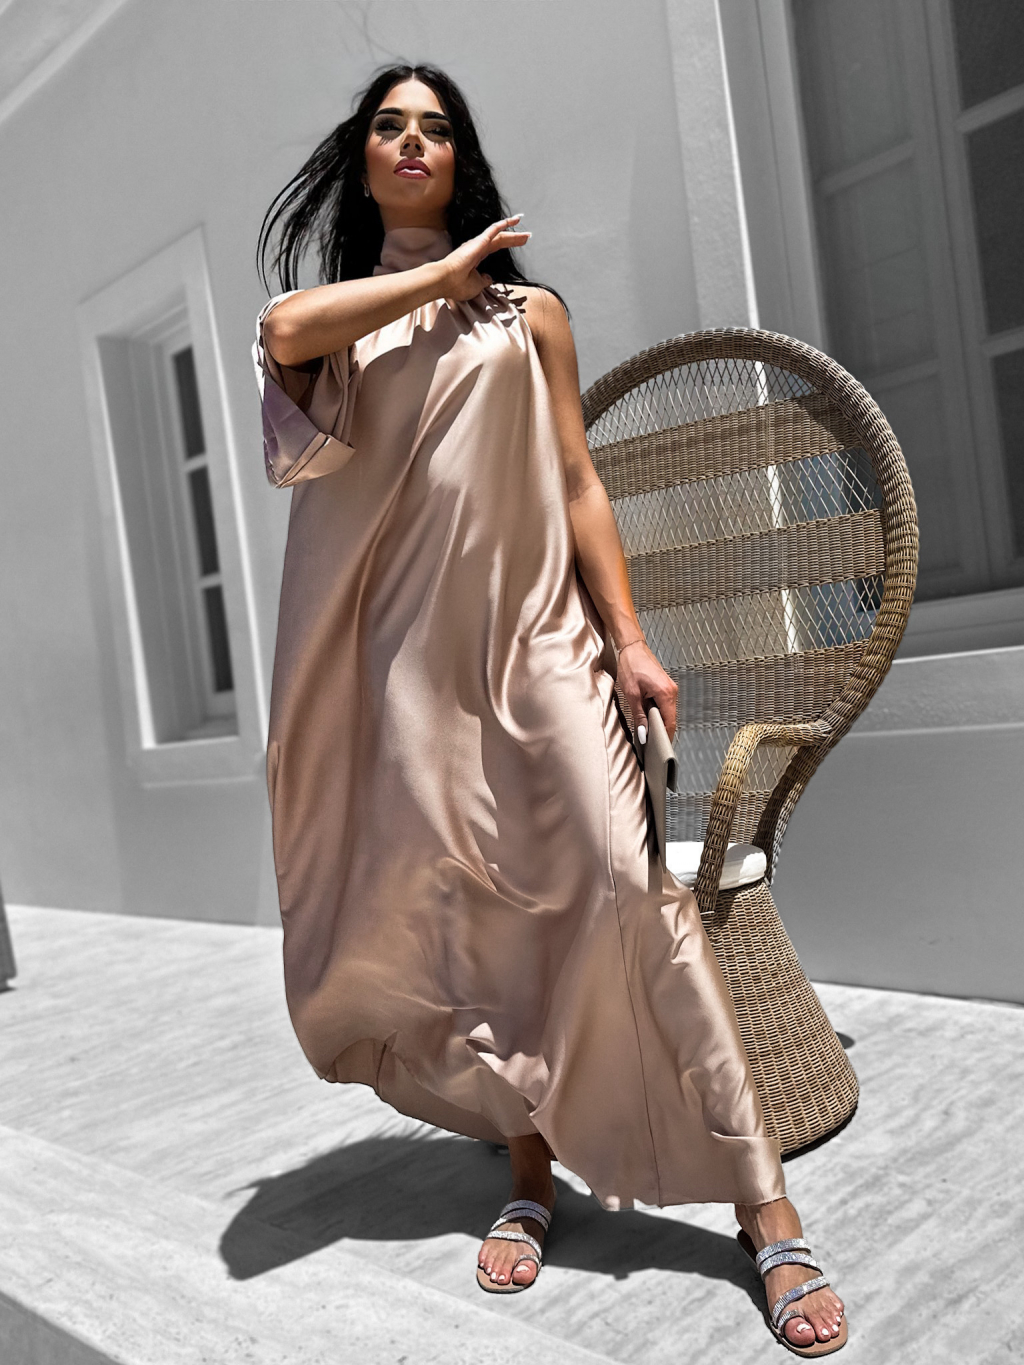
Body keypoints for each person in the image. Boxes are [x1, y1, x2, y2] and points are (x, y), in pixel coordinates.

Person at [253, 62, 847, 1355]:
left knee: (632, 895)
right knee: (477, 928)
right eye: (390, 127)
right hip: (409, 681)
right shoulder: (342, 326)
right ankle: (530, 1172)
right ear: (365, 163)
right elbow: (284, 329)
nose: (414, 141)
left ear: (462, 158)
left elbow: (578, 480)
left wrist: (629, 638)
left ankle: (764, 1202)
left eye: (437, 127)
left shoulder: (532, 317)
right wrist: (441, 276)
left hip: (543, 651)